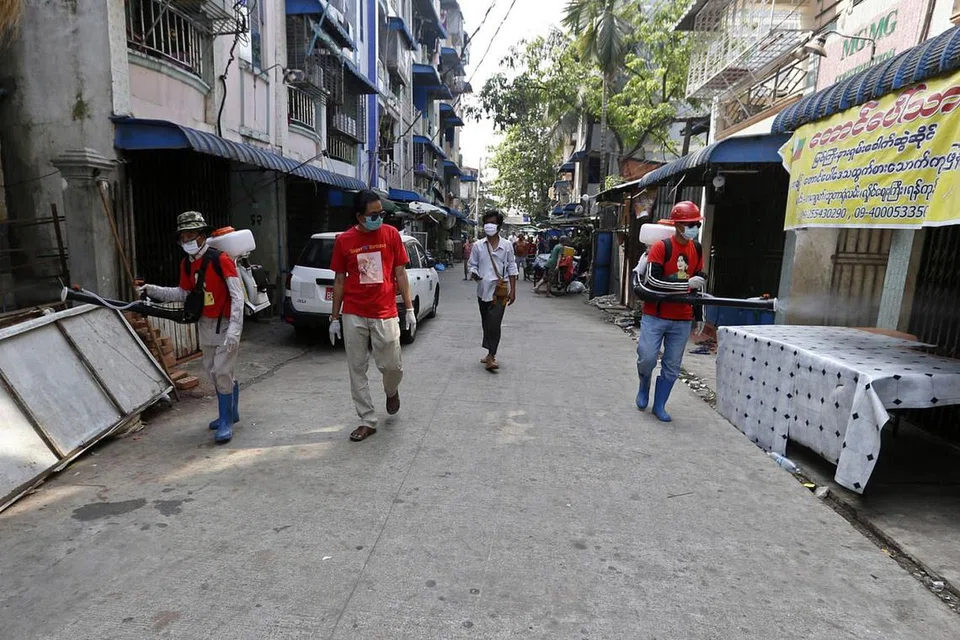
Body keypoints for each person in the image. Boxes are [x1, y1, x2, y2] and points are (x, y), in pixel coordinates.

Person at [137, 211, 244, 444]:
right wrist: (153, 290)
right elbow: (183, 293)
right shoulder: (187, 264)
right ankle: (231, 412)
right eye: (184, 236)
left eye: (192, 234)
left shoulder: (220, 259)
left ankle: (225, 420)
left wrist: (236, 328)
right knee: (211, 370)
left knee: (222, 371)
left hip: (226, 323)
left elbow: (237, 296)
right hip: (205, 323)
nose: (188, 240)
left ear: (203, 235)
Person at [328, 190, 415, 442]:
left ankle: (391, 389)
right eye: (373, 214)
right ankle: (367, 419)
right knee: (356, 368)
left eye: (382, 213)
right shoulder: (344, 240)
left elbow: (400, 274)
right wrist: (334, 318)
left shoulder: (391, 235)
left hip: (385, 311)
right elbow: (339, 280)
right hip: (354, 312)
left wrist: (408, 308)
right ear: (359, 216)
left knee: (392, 366)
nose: (379, 218)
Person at [635, 201, 707, 422]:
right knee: (647, 358)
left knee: (672, 366)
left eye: (696, 223)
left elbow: (700, 279)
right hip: (655, 315)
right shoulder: (661, 247)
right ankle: (644, 383)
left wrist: (699, 313)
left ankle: (660, 406)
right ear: (677, 225)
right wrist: (686, 285)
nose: (694, 227)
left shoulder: (697, 248)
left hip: (682, 318)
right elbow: (654, 280)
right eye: (690, 224)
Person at [467, 210, 518, 371]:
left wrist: (513, 290)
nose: (489, 226)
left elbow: (512, 267)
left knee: (495, 324)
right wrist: (474, 274)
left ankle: (492, 356)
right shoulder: (478, 246)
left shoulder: (507, 245)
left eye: (492, 223)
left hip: (500, 291)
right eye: (486, 223)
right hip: (482, 290)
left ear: (499, 226)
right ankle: (489, 352)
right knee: (486, 323)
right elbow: (471, 265)